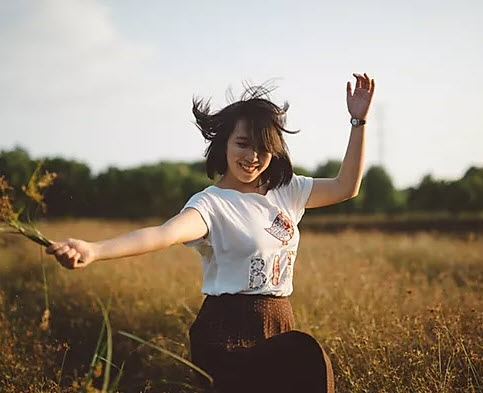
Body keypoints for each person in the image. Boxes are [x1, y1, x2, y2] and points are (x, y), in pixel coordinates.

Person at [46, 73, 375, 393]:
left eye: (263, 148)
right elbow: (162, 234)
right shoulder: (211, 204)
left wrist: (358, 122)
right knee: (306, 356)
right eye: (242, 144)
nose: (252, 157)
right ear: (225, 144)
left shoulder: (287, 190)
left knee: (307, 361)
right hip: (227, 331)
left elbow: (346, 186)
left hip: (279, 323)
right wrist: (94, 250)